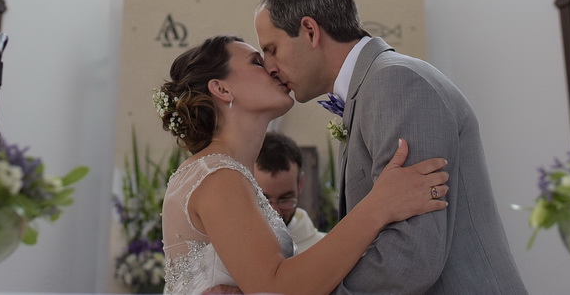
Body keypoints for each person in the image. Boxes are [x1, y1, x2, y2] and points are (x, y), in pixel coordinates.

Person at [255, 0, 529, 294]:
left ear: (310, 31)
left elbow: (410, 257)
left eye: (272, 48)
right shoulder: (375, 85)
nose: (269, 66)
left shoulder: (395, 83)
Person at [156, 35, 448, 295]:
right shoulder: (218, 176)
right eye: (257, 62)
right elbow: (277, 289)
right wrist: (380, 206)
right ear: (222, 89)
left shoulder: (213, 172)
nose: (272, 68)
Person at [254, 131, 326, 253]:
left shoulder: (324, 248)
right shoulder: (226, 247)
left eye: (285, 199)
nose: (275, 212)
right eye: (264, 200)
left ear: (300, 184)